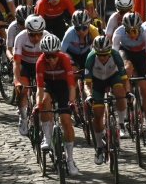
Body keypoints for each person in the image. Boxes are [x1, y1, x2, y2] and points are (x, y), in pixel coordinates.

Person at [35, 33, 78, 175]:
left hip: (63, 86)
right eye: (48, 56)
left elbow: (72, 86)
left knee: (66, 120)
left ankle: (70, 159)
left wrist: (71, 102)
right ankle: (47, 137)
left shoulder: (65, 59)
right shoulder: (40, 62)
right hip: (48, 85)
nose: (51, 59)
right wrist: (37, 105)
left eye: (54, 55)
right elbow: (39, 89)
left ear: (58, 52)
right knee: (44, 101)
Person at [84, 35, 130, 165]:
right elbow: (86, 84)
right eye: (99, 55)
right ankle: (99, 147)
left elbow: (124, 78)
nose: (102, 57)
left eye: (105, 55)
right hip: (97, 82)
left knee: (120, 92)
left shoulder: (115, 55)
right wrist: (89, 95)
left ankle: (121, 123)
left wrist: (128, 92)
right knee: (98, 114)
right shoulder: (91, 58)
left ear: (110, 52)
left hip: (112, 77)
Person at [112, 11, 146, 145]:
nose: (132, 34)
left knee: (145, 88)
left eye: (135, 31)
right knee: (127, 67)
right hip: (125, 53)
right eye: (129, 31)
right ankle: (123, 118)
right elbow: (114, 55)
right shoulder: (118, 33)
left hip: (141, 54)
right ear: (124, 29)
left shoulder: (145, 32)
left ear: (139, 28)